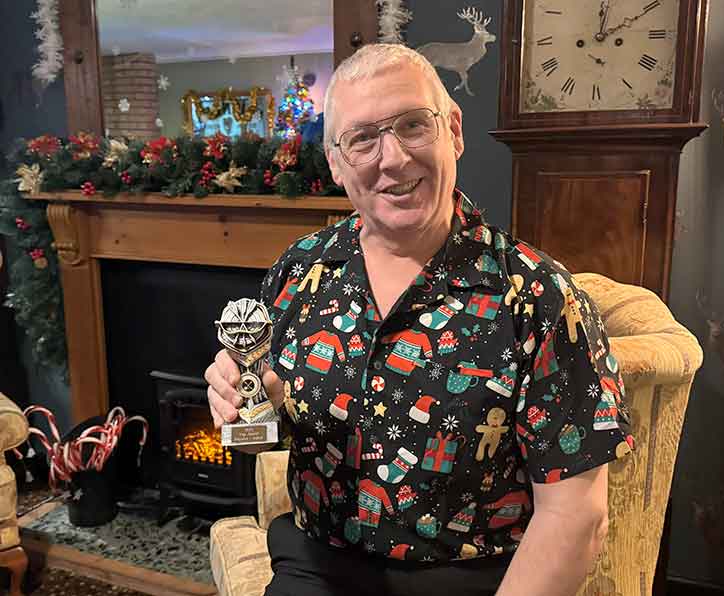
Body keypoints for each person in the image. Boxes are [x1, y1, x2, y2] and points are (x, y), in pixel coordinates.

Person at [206, 43, 633, 596]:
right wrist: (249, 405)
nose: (393, 158)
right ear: (336, 162)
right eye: (362, 139)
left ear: (453, 129)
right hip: (318, 566)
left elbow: (576, 516)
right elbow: (273, 436)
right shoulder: (299, 272)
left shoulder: (539, 297)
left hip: (467, 578)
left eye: (412, 125)